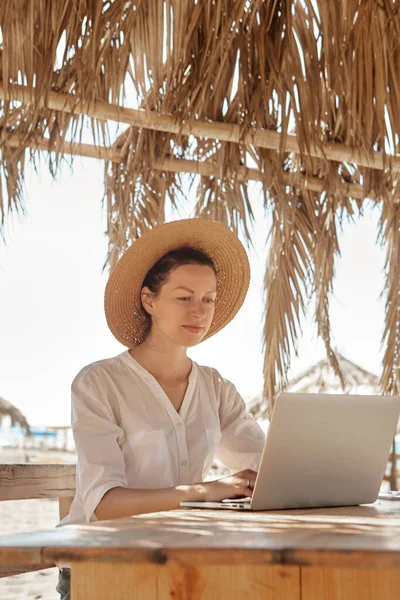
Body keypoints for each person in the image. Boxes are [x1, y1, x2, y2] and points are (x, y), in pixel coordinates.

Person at [55, 218, 265, 599]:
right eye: (184, 298)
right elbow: (105, 504)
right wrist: (211, 489)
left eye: (209, 299)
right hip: (101, 567)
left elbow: (268, 468)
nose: (199, 312)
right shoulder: (99, 383)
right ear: (149, 299)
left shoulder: (217, 389)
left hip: (178, 562)